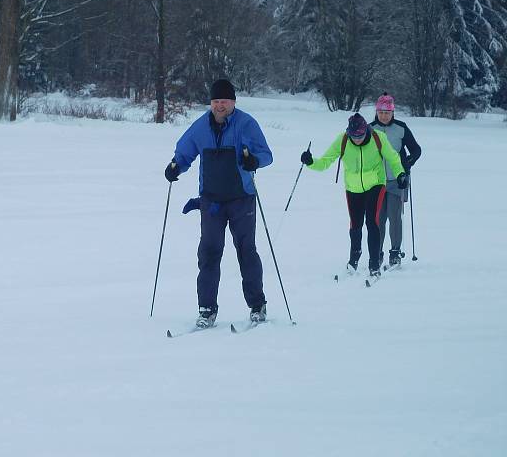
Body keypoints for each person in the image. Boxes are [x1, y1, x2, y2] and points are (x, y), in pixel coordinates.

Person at [164, 79, 273, 328]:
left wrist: (253, 161)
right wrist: (175, 167)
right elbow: (184, 151)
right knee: (209, 254)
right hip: (211, 201)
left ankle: (257, 306)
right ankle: (207, 309)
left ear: (233, 102)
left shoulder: (246, 124)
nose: (219, 105)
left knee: (246, 252)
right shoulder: (201, 126)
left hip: (241, 199)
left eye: (224, 101)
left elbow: (266, 155)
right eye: (215, 101)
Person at [300, 113, 407, 277]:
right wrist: (310, 162)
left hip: (375, 184)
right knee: (355, 225)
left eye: (360, 136)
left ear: (366, 131)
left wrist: (400, 174)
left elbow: (393, 158)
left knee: (373, 223)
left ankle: (374, 264)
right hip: (353, 188)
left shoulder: (378, 138)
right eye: (353, 136)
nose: (357, 139)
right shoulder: (342, 140)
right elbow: (324, 162)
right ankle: (354, 260)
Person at [370, 93, 422, 266]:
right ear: (377, 112)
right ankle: (377, 252)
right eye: (381, 112)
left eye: (387, 112)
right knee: (378, 219)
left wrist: (407, 163)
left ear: (393, 112)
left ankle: (395, 252)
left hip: (396, 181)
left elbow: (416, 150)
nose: (384, 116)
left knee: (394, 217)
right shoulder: (370, 129)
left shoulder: (401, 128)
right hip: (376, 181)